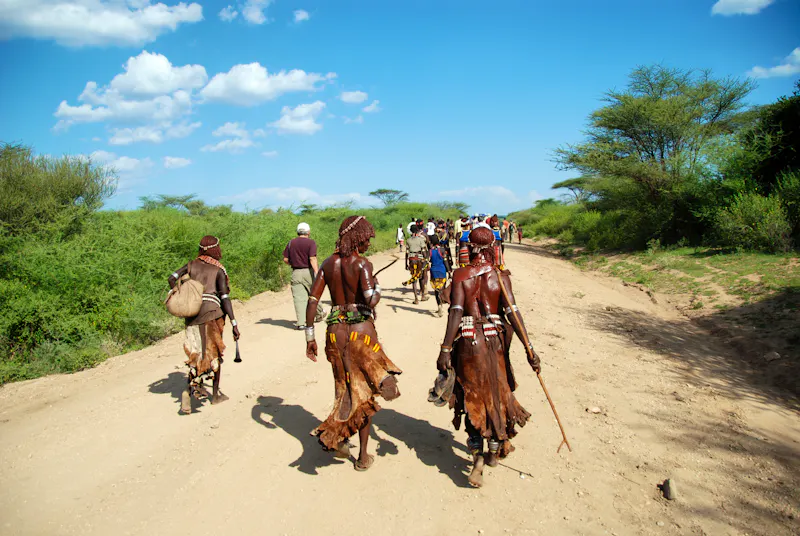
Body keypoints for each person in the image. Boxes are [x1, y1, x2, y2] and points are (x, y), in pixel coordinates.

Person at [434, 226, 541, 488]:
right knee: (495, 394)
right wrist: (530, 350)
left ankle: (477, 456)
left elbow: (457, 311)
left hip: (469, 343)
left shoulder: (461, 275)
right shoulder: (501, 277)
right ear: (494, 247)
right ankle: (493, 450)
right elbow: (513, 314)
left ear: (470, 247)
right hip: (495, 343)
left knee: (470, 395)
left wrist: (446, 349)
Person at [304, 215, 402, 471]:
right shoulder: (362, 264)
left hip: (335, 333)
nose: (369, 242)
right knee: (363, 391)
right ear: (357, 236)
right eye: (367, 238)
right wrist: (377, 286)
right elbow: (370, 300)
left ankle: (340, 436)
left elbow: (313, 300)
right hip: (361, 333)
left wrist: (310, 337)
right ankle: (362, 455)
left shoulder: (327, 264)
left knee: (344, 387)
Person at [168, 235, 241, 415]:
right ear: (215, 249)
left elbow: (172, 277)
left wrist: (182, 292)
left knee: (196, 352)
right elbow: (224, 298)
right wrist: (234, 322)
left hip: (193, 315)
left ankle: (190, 388)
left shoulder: (191, 265)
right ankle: (215, 395)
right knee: (213, 353)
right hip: (212, 314)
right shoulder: (218, 270)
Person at [284, 223, 324, 329]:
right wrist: (317, 272)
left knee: (299, 298)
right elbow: (312, 258)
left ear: (298, 232)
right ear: (308, 232)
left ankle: (301, 323)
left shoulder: (291, 243)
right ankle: (319, 314)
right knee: (313, 295)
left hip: (296, 273)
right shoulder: (311, 243)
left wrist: (294, 263)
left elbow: (285, 259)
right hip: (308, 272)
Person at [404, 224, 430, 303]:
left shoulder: (408, 240)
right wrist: (426, 260)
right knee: (421, 278)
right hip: (419, 259)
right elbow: (423, 251)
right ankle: (422, 296)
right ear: (417, 231)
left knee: (414, 278)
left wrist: (406, 264)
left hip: (411, 260)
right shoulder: (420, 240)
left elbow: (407, 253)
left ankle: (416, 299)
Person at [429, 238, 451, 317]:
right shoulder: (442, 250)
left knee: (436, 290)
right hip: (442, 271)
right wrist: (449, 272)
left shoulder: (430, 251)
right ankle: (442, 302)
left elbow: (429, 261)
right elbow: (445, 261)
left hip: (434, 272)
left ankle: (439, 306)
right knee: (442, 288)